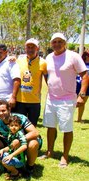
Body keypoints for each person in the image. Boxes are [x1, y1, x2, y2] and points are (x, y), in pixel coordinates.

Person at [41, 33, 88, 167]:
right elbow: (47, 75)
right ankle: (50, 152)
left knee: (66, 128)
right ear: (51, 44)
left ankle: (65, 156)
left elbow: (85, 76)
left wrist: (82, 95)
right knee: (50, 126)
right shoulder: (49, 57)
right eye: (54, 42)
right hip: (51, 98)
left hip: (67, 100)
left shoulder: (73, 56)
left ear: (65, 43)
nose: (57, 44)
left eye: (59, 41)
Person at [0, 100, 40, 174]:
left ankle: (30, 167)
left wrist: (19, 140)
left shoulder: (20, 118)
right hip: (11, 147)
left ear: (9, 109)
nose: (1, 113)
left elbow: (35, 132)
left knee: (33, 143)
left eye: (3, 110)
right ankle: (9, 165)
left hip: (26, 143)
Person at [15, 38, 48, 126]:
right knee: (19, 127)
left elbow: (48, 80)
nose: (30, 49)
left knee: (32, 127)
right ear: (25, 48)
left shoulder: (43, 63)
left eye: (33, 47)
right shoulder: (18, 61)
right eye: (28, 47)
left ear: (37, 48)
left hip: (34, 101)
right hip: (20, 100)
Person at [0, 115, 27, 180]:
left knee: (5, 161)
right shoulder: (10, 134)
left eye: (16, 125)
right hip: (11, 155)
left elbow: (24, 146)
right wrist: (2, 150)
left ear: (20, 126)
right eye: (12, 125)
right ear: (9, 126)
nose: (14, 127)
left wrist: (11, 155)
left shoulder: (20, 134)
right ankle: (8, 167)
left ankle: (16, 173)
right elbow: (10, 147)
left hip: (19, 160)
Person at [0, 44, 21, 108]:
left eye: (0, 52)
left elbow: (17, 80)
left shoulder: (11, 63)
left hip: (9, 98)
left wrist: (13, 97)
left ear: (6, 52)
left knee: (9, 117)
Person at [75, 51, 89, 123]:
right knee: (72, 102)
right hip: (77, 85)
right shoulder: (81, 64)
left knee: (82, 102)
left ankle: (79, 118)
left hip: (87, 87)